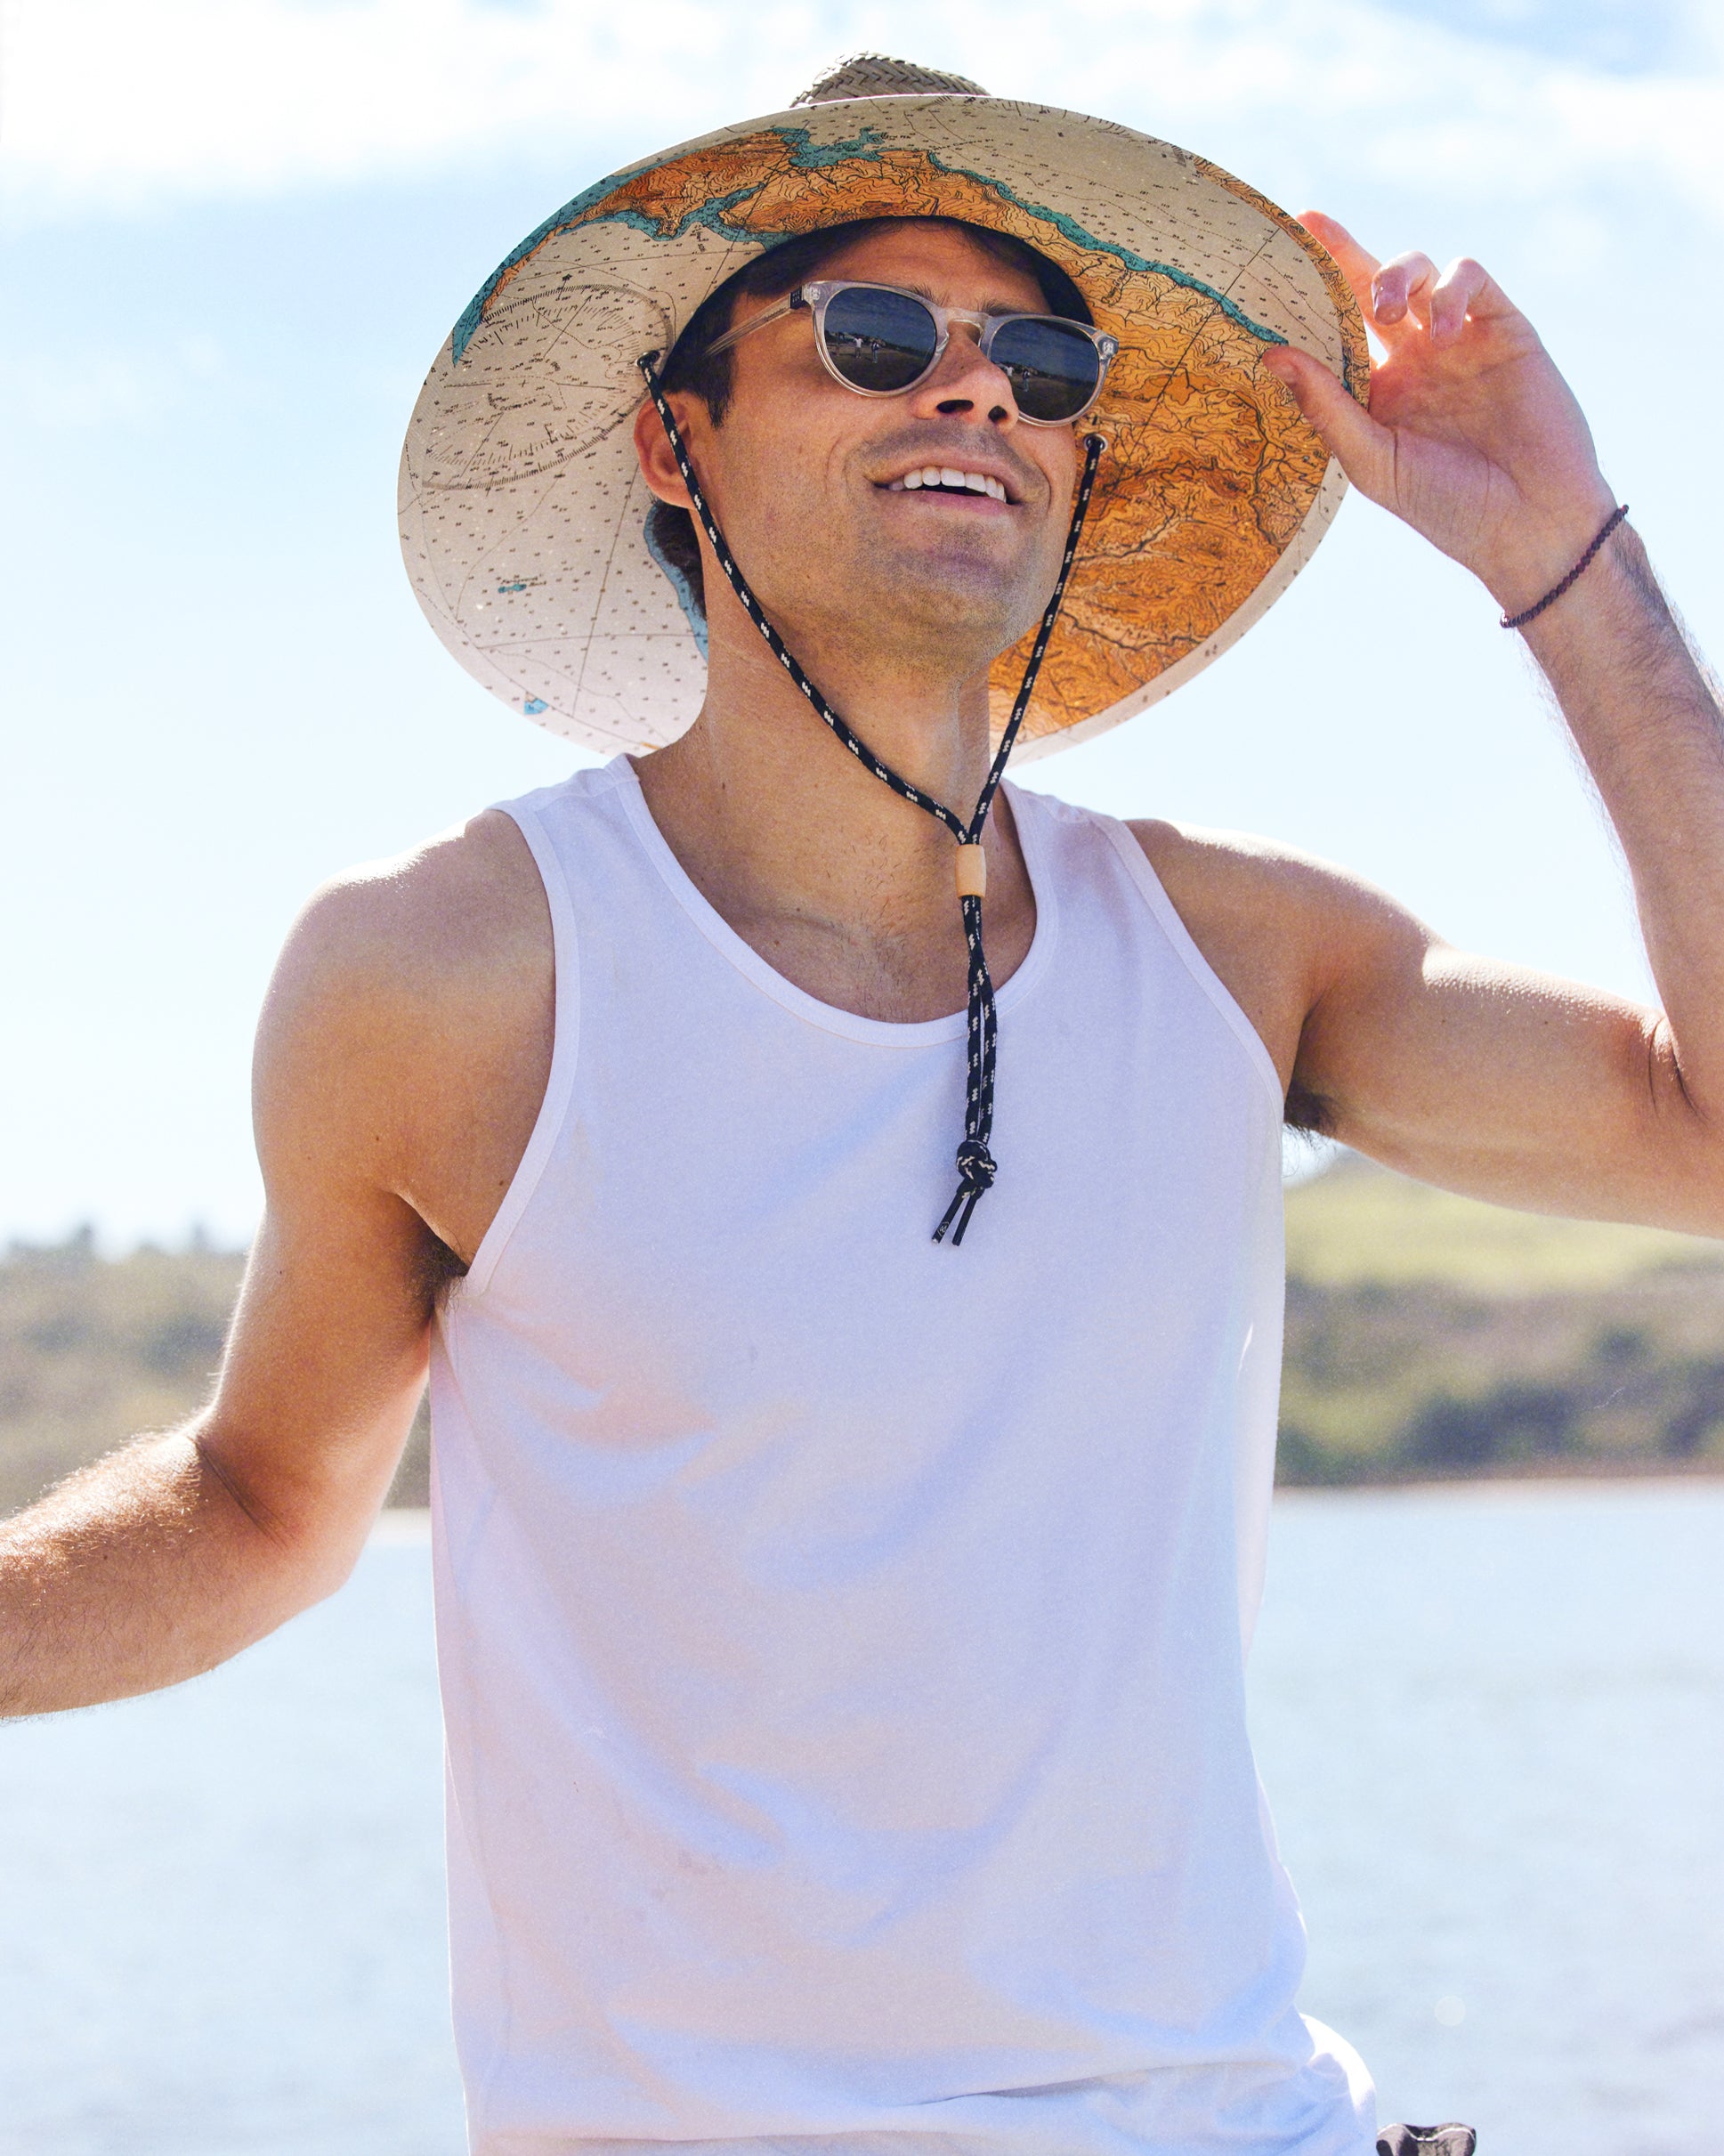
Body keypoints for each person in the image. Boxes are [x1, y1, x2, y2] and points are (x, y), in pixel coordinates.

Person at [4, 50, 1721, 2156]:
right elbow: (264, 1506)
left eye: (1041, 355)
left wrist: (1566, 559)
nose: (976, 391)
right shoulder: (456, 973)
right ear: (677, 434)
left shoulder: (1235, 951)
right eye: (879, 335)